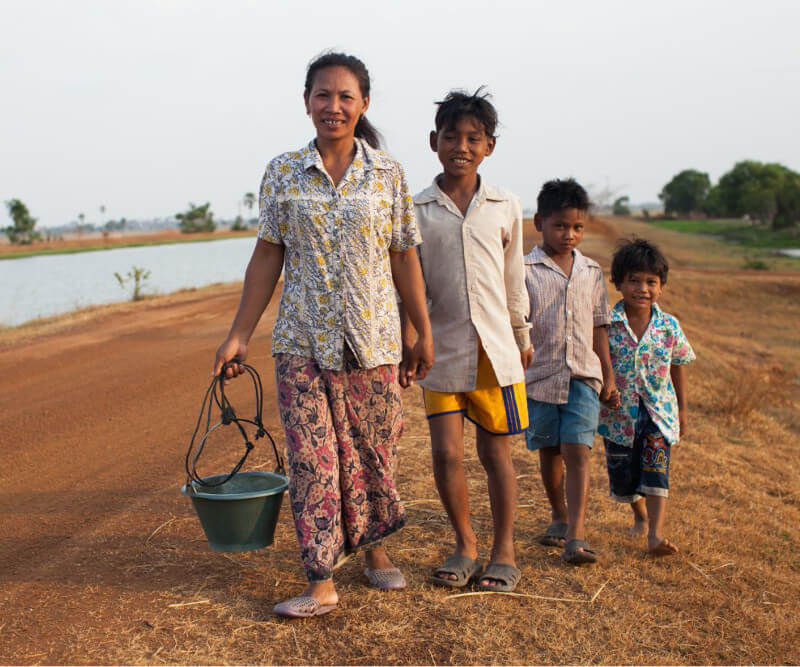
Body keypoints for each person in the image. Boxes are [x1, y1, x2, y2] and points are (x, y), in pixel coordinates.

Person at [212, 52, 434, 618]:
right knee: (312, 459)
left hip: (374, 340)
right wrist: (239, 333)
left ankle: (375, 549)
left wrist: (421, 333)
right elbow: (267, 256)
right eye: (322, 95)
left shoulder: (388, 174)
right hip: (301, 341)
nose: (332, 106)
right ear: (306, 100)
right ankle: (321, 579)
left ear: (363, 105)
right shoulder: (282, 172)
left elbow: (404, 257)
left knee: (372, 451)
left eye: (344, 97)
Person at [402, 89, 532, 592]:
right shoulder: (415, 210)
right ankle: (465, 545)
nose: (461, 145)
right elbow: (408, 286)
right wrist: (410, 340)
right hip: (440, 350)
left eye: (472, 138)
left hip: (495, 352)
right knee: (446, 455)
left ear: (489, 146)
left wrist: (521, 334)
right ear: (434, 142)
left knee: (497, 454)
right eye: (451, 136)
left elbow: (513, 278)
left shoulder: (505, 205)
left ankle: (504, 550)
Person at [523, 178, 618, 565]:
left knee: (577, 450)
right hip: (539, 376)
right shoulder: (523, 270)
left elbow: (599, 326)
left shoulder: (591, 271)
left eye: (577, 227)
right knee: (549, 450)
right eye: (560, 226)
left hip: (583, 375)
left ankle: (576, 535)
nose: (569, 235)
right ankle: (559, 516)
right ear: (539, 222)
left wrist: (607, 376)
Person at [598, 238, 695, 556]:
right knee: (624, 477)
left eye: (651, 282)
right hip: (618, 417)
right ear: (619, 283)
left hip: (658, 414)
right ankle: (639, 517)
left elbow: (678, 365)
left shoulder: (668, 326)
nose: (643, 288)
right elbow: (599, 362)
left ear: (661, 286)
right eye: (634, 281)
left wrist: (681, 410)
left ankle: (655, 534)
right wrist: (604, 389)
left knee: (656, 469)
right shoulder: (608, 325)